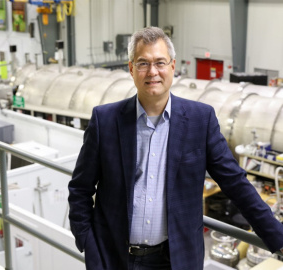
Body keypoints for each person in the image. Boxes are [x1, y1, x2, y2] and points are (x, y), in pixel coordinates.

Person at [67, 26, 283, 270]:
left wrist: (278, 238)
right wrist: (88, 243)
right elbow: (80, 189)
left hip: (175, 260)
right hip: (114, 257)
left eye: (160, 62)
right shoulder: (104, 121)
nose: (152, 72)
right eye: (142, 63)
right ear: (131, 69)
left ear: (172, 67)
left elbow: (235, 183)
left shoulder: (200, 120)